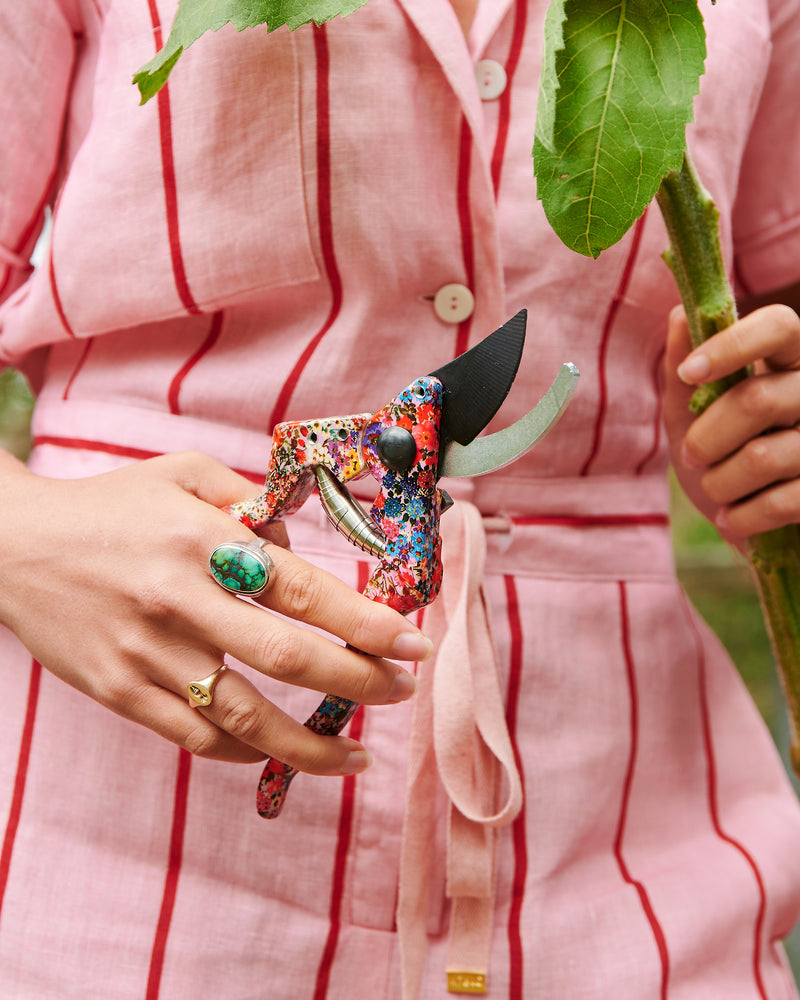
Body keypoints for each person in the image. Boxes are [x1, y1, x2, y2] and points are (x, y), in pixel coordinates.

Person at [1, 0, 800, 996]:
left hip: (636, 847)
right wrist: (19, 534)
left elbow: (773, 298)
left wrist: (757, 432)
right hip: (108, 813)